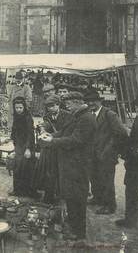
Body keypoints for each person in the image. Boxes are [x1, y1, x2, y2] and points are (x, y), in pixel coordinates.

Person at [40, 92, 96, 241]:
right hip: (71, 164)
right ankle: (72, 226)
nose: (67, 107)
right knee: (71, 197)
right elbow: (65, 132)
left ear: (77, 102)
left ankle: (79, 233)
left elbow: (76, 140)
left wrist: (53, 142)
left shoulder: (86, 119)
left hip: (79, 165)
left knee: (78, 199)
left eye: (69, 104)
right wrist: (51, 136)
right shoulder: (78, 116)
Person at [85, 91, 128, 214]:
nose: (91, 103)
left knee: (106, 180)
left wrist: (111, 149)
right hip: (93, 154)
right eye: (88, 101)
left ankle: (110, 205)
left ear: (100, 101)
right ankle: (98, 198)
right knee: (94, 177)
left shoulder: (110, 114)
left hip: (107, 154)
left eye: (93, 101)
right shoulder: (90, 114)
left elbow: (122, 133)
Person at [33, 95, 73, 203]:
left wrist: (53, 136)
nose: (50, 108)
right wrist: (42, 129)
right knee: (48, 171)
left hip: (61, 146)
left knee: (61, 172)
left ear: (58, 105)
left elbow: (66, 131)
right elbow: (45, 125)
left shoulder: (67, 115)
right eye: (48, 107)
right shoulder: (47, 116)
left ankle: (61, 195)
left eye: (52, 106)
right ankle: (49, 195)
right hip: (50, 148)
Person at [115, 94, 138, 228]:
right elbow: (133, 139)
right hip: (134, 162)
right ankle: (131, 219)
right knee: (131, 190)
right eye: (137, 107)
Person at [9, 97, 36, 197]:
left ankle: (27, 191)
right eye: (16, 108)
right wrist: (13, 140)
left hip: (27, 145)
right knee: (17, 168)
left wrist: (28, 149)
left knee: (27, 168)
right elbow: (14, 130)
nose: (18, 110)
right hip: (19, 146)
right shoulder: (16, 117)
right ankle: (17, 190)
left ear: (24, 107)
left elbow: (30, 134)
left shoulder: (28, 118)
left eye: (20, 107)